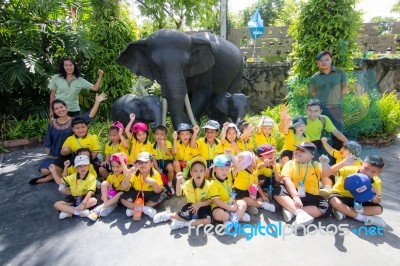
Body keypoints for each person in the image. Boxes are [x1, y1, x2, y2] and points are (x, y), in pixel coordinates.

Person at [29, 93, 106, 185]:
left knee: (74, 165)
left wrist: (97, 102)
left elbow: (89, 116)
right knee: (45, 170)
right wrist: (48, 153)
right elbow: (48, 138)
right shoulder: (52, 123)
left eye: (61, 107)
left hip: (72, 153)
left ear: (66, 107)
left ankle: (51, 178)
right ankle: (57, 175)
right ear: (53, 111)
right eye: (56, 108)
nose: (59, 110)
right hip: (56, 153)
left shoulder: (74, 121)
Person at [272, 142, 331, 227]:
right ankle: (299, 213)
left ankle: (291, 210)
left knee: (326, 208)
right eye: (297, 149)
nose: (297, 151)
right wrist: (295, 196)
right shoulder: (290, 163)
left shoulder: (316, 165)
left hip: (310, 195)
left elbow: (326, 174)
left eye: (302, 151)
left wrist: (325, 164)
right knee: (278, 190)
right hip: (293, 193)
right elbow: (286, 179)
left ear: (311, 156)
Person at [152, 157, 212, 230]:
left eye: (201, 171)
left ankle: (183, 224)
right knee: (186, 215)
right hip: (191, 206)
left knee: (207, 221)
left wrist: (199, 204)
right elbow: (178, 193)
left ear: (205, 172)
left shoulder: (209, 185)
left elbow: (210, 201)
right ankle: (167, 215)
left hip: (203, 206)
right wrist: (178, 181)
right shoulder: (187, 184)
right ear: (191, 173)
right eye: (195, 171)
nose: (198, 173)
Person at [328, 154, 386, 227]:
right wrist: (343, 163)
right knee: (333, 200)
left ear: (379, 173)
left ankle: (345, 212)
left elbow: (378, 201)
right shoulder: (351, 170)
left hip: (358, 203)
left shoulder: (376, 181)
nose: (368, 173)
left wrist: (375, 196)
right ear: (361, 164)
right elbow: (330, 172)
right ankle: (362, 218)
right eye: (366, 168)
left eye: (373, 172)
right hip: (341, 196)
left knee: (378, 209)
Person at [309, 51, 348, 150]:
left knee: (337, 131)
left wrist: (338, 99)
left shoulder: (340, 72)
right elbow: (313, 92)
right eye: (321, 60)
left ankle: (338, 155)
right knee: (320, 132)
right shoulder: (314, 77)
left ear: (331, 60)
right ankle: (321, 155)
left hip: (335, 106)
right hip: (321, 108)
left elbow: (344, 88)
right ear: (317, 63)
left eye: (326, 59)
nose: (324, 62)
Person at [121, 152, 167, 219]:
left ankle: (136, 208)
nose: (143, 165)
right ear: (137, 164)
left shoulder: (155, 174)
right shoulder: (134, 172)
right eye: (140, 162)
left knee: (163, 196)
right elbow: (125, 187)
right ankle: (144, 209)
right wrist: (129, 175)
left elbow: (158, 191)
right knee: (122, 198)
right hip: (137, 192)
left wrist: (154, 183)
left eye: (145, 162)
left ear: (151, 164)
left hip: (150, 194)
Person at [49, 155, 97, 219]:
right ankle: (79, 213)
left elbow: (90, 191)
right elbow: (59, 181)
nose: (83, 168)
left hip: (85, 199)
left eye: (85, 165)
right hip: (74, 198)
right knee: (56, 204)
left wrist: (83, 203)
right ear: (76, 168)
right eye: (80, 166)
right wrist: (53, 172)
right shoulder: (73, 176)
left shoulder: (91, 178)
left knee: (94, 201)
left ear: (88, 166)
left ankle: (68, 212)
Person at [209, 152, 250, 228]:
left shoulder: (229, 175)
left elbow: (238, 167)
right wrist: (229, 208)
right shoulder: (213, 183)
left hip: (231, 203)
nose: (225, 172)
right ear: (215, 168)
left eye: (227, 169)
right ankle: (238, 217)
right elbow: (216, 201)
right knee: (217, 215)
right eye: (222, 169)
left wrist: (230, 155)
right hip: (219, 206)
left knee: (243, 203)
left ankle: (231, 221)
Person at [88, 153, 130, 221]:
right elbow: (107, 185)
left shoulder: (126, 173)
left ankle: (100, 207)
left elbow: (127, 174)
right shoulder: (111, 175)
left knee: (120, 193)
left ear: (124, 165)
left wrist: (122, 161)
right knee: (104, 183)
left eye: (118, 166)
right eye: (113, 166)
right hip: (114, 196)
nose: (115, 169)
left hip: (124, 196)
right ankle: (107, 204)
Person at [232, 150, 276, 215]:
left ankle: (251, 206)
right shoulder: (239, 171)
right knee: (246, 200)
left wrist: (263, 195)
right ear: (248, 163)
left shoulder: (253, 171)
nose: (256, 160)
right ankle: (263, 205)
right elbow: (233, 169)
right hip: (241, 193)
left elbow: (256, 184)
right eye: (253, 159)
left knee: (265, 195)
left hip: (251, 191)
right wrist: (238, 160)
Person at [151, 125, 175, 195]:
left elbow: (169, 154)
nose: (159, 136)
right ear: (154, 135)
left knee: (170, 167)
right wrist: (157, 169)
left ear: (165, 136)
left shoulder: (167, 143)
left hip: (166, 161)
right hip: (157, 162)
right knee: (152, 169)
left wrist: (164, 146)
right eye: (157, 134)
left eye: (162, 134)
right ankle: (160, 186)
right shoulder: (152, 145)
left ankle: (170, 183)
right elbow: (153, 159)